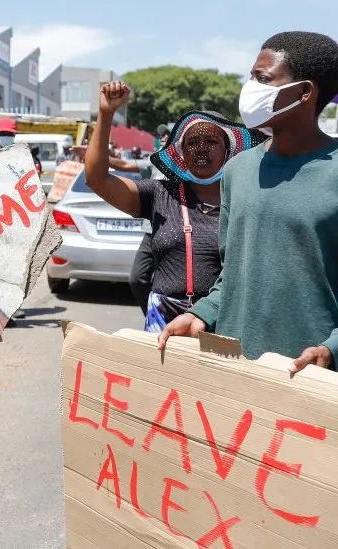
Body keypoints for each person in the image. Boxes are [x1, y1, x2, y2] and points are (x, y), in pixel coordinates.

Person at [161, 31, 338, 375]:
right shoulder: (237, 170)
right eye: (251, 77)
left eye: (263, 78)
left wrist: (329, 349)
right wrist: (202, 314)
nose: (250, 88)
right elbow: (233, 274)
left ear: (304, 92)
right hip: (234, 371)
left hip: (312, 382)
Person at [86, 81, 266, 333]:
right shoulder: (160, 194)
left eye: (211, 141)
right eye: (192, 143)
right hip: (163, 324)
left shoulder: (243, 200)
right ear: (181, 153)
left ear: (227, 151)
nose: (201, 149)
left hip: (221, 324)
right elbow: (97, 179)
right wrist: (106, 115)